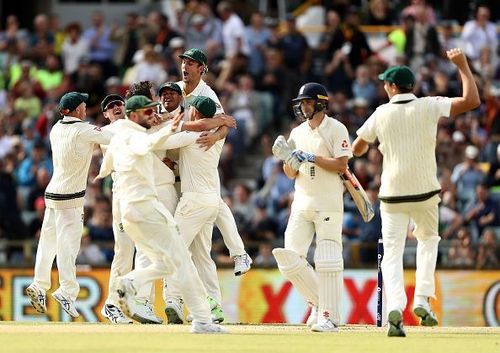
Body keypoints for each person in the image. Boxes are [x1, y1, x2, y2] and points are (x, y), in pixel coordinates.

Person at [352, 48, 480, 337]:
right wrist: (462, 66)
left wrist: (371, 143)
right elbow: (472, 100)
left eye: (386, 83)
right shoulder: (428, 105)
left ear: (393, 87)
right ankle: (422, 299)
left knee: (392, 253)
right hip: (425, 191)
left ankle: (396, 305)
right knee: (428, 241)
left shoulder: (381, 113)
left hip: (392, 193)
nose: (384, 87)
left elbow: (358, 147)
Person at [96, 95, 226, 334]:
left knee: (168, 262)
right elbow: (145, 144)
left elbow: (106, 167)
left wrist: (101, 174)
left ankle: (132, 282)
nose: (152, 115)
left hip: (129, 211)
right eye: (147, 112)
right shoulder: (134, 134)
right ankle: (202, 322)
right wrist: (170, 129)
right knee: (182, 261)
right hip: (146, 209)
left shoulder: (117, 133)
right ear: (134, 115)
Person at [271, 82, 352, 332]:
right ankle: (318, 304)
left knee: (327, 259)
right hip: (302, 202)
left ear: (320, 103)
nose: (303, 106)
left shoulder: (336, 128)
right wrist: (290, 159)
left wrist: (311, 157)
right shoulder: (297, 133)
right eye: (301, 103)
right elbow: (290, 174)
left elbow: (341, 165)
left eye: (307, 102)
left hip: (328, 203)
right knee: (288, 258)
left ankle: (327, 316)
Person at [26, 92, 112, 318]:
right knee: (68, 247)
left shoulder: (56, 128)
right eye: (83, 105)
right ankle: (66, 290)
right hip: (70, 197)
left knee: (48, 243)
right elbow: (111, 137)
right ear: (75, 110)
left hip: (52, 193)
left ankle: (39, 284)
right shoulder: (83, 129)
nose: (86, 108)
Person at [176, 48, 252, 276]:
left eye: (190, 64)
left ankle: (239, 254)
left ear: (201, 69)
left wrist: (216, 136)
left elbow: (224, 125)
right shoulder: (176, 89)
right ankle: (239, 254)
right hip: (182, 160)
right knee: (215, 203)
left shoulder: (207, 94)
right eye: (184, 62)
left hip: (200, 151)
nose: (185, 67)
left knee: (214, 201)